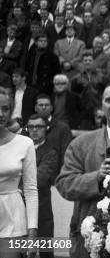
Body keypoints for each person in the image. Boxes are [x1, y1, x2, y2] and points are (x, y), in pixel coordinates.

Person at [56, 83, 110, 258]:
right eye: (109, 100)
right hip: (88, 241)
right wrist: (96, 178)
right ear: (102, 106)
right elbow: (64, 184)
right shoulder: (81, 144)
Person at [0, 92, 38, 258]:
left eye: (5, 108)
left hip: (13, 219)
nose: (0, 114)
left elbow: (30, 191)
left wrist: (32, 234)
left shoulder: (25, 143)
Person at [27, 113, 58, 258]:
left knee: (46, 253)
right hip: (19, 211)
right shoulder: (22, 148)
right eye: (31, 127)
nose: (34, 130)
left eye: (38, 126)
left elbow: (38, 179)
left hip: (41, 212)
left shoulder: (50, 152)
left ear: (46, 128)